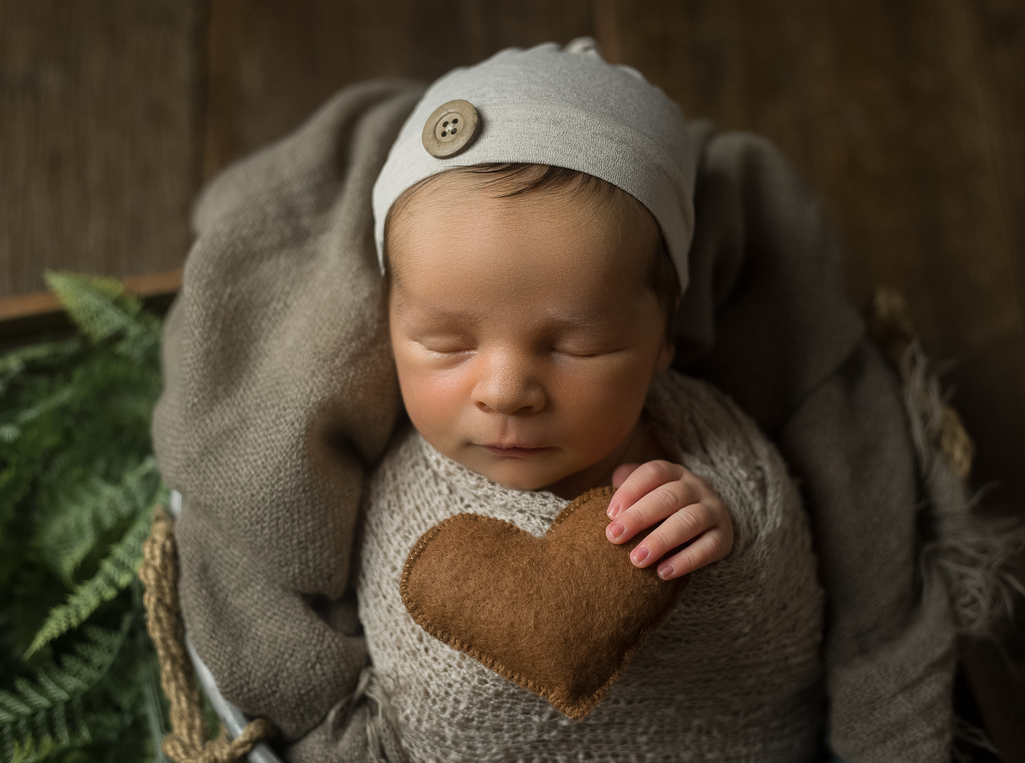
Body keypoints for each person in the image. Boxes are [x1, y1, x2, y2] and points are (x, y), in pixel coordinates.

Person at [353, 39, 826, 762]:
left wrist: (726, 528)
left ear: (664, 338)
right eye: (446, 343)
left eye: (575, 346)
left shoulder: (704, 442)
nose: (506, 392)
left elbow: (774, 606)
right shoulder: (392, 493)